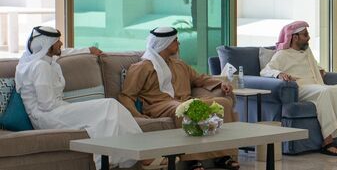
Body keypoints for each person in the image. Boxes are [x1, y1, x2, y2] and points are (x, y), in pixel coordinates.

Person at [14, 26, 143, 169]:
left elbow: (65, 53)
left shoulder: (45, 61)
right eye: (58, 41)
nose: (61, 44)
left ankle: (125, 157)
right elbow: (46, 105)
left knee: (111, 110)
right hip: (47, 117)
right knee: (109, 106)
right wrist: (77, 109)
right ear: (48, 45)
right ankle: (130, 157)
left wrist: (88, 50)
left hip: (55, 110)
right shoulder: (40, 66)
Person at [119, 27, 240, 170]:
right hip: (160, 105)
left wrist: (221, 83)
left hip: (183, 100)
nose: (179, 43)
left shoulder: (180, 64)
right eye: (175, 40)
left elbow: (199, 79)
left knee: (223, 103)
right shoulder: (142, 67)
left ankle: (222, 155)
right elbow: (126, 95)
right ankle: (191, 159)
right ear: (165, 43)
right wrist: (138, 116)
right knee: (186, 108)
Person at [260, 21, 337, 156]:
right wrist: (279, 74)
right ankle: (327, 141)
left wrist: (320, 70)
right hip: (301, 88)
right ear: (294, 37)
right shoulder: (282, 55)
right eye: (305, 35)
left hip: (318, 87)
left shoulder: (307, 52)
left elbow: (316, 67)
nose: (308, 38)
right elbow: (265, 71)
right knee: (325, 92)